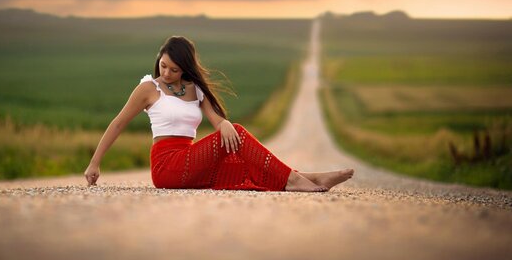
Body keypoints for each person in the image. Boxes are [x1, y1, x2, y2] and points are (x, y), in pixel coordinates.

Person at [84, 36, 354, 192]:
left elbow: (215, 120)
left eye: (174, 70)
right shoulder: (148, 88)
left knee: (249, 166)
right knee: (238, 134)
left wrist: (223, 123)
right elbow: (118, 123)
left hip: (192, 163)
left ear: (185, 69)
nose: (166, 73)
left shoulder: (195, 90)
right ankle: (296, 180)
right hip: (168, 167)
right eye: (163, 66)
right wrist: (95, 163)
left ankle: (313, 178)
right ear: (159, 60)